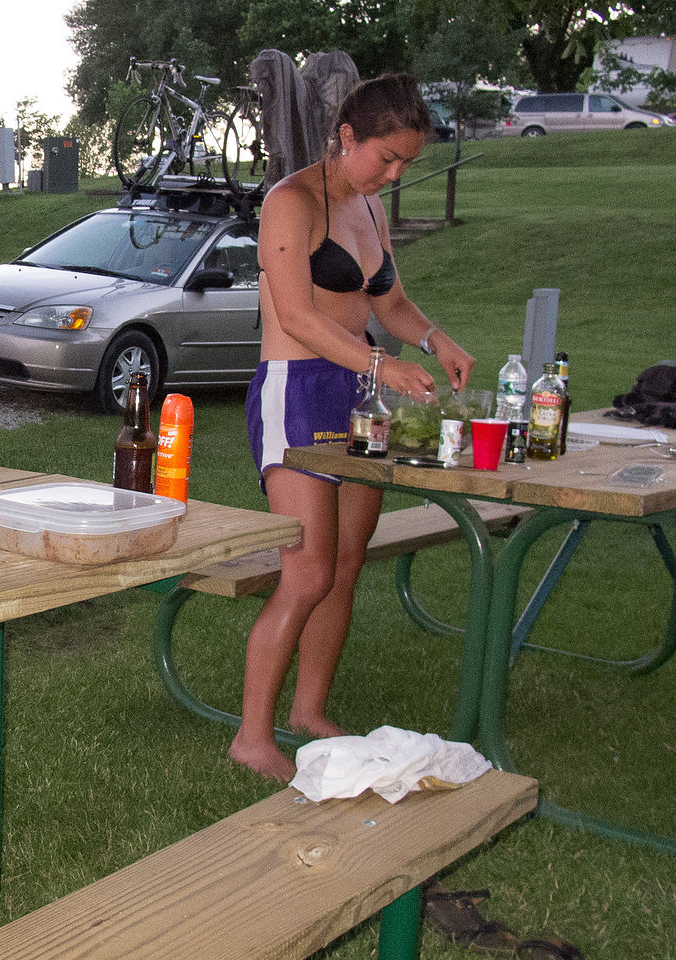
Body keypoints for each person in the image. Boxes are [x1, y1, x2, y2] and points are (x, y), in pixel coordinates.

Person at [231, 75, 476, 781]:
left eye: (406, 164)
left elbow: (389, 300)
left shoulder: (369, 206)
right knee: (305, 573)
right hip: (298, 390)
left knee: (343, 566)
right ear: (347, 137)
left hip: (361, 392)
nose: (394, 174)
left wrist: (435, 341)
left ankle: (308, 711)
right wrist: (383, 364)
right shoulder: (291, 202)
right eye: (386, 158)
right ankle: (252, 737)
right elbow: (300, 315)